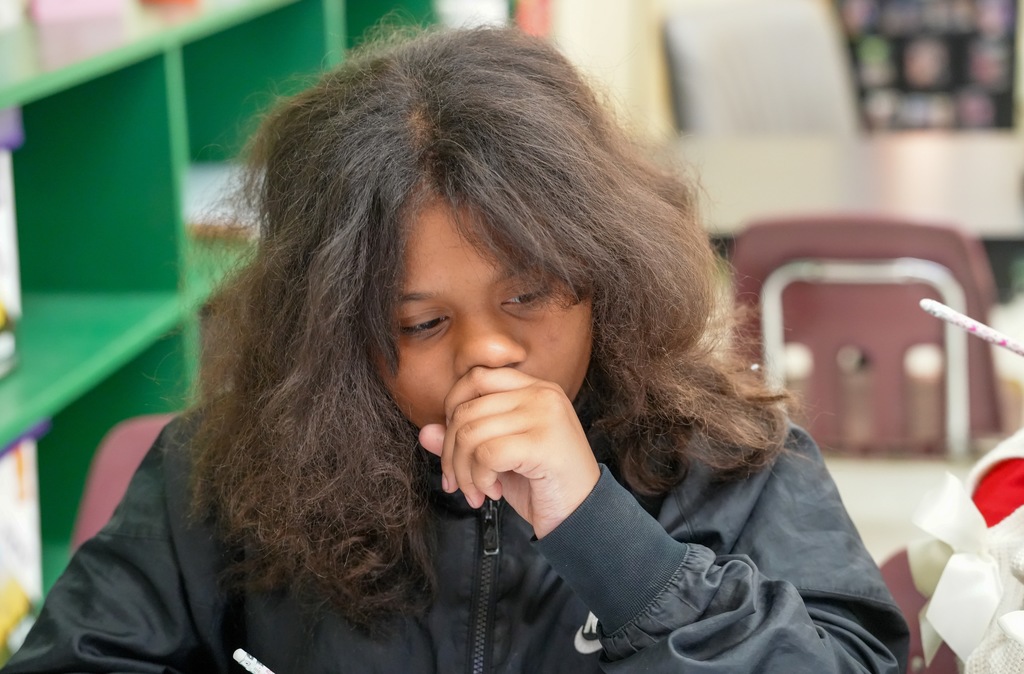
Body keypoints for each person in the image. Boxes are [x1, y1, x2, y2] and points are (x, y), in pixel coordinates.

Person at [1, 26, 908, 673]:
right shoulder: (227, 473)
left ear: (605, 270)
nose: (490, 357)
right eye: (421, 325)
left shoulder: (737, 462)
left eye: (530, 293)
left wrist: (603, 534)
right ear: (335, 329)